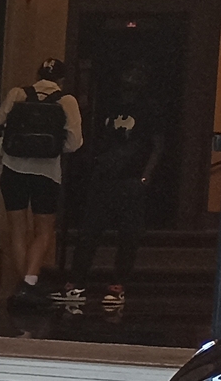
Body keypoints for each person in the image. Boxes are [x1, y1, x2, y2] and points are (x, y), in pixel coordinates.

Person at [65, 66, 162, 312]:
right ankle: (76, 283)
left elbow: (158, 145)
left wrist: (145, 177)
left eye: (134, 78)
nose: (128, 81)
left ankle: (118, 284)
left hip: (130, 178)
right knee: (89, 231)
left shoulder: (149, 109)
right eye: (126, 76)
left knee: (128, 234)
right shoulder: (108, 105)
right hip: (104, 176)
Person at [0, 59, 83, 303]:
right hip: (47, 173)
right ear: (61, 80)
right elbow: (75, 142)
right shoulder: (67, 101)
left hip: (13, 168)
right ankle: (29, 282)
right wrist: (51, 149)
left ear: (37, 74)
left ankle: (25, 286)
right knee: (44, 231)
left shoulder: (18, 93)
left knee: (17, 229)